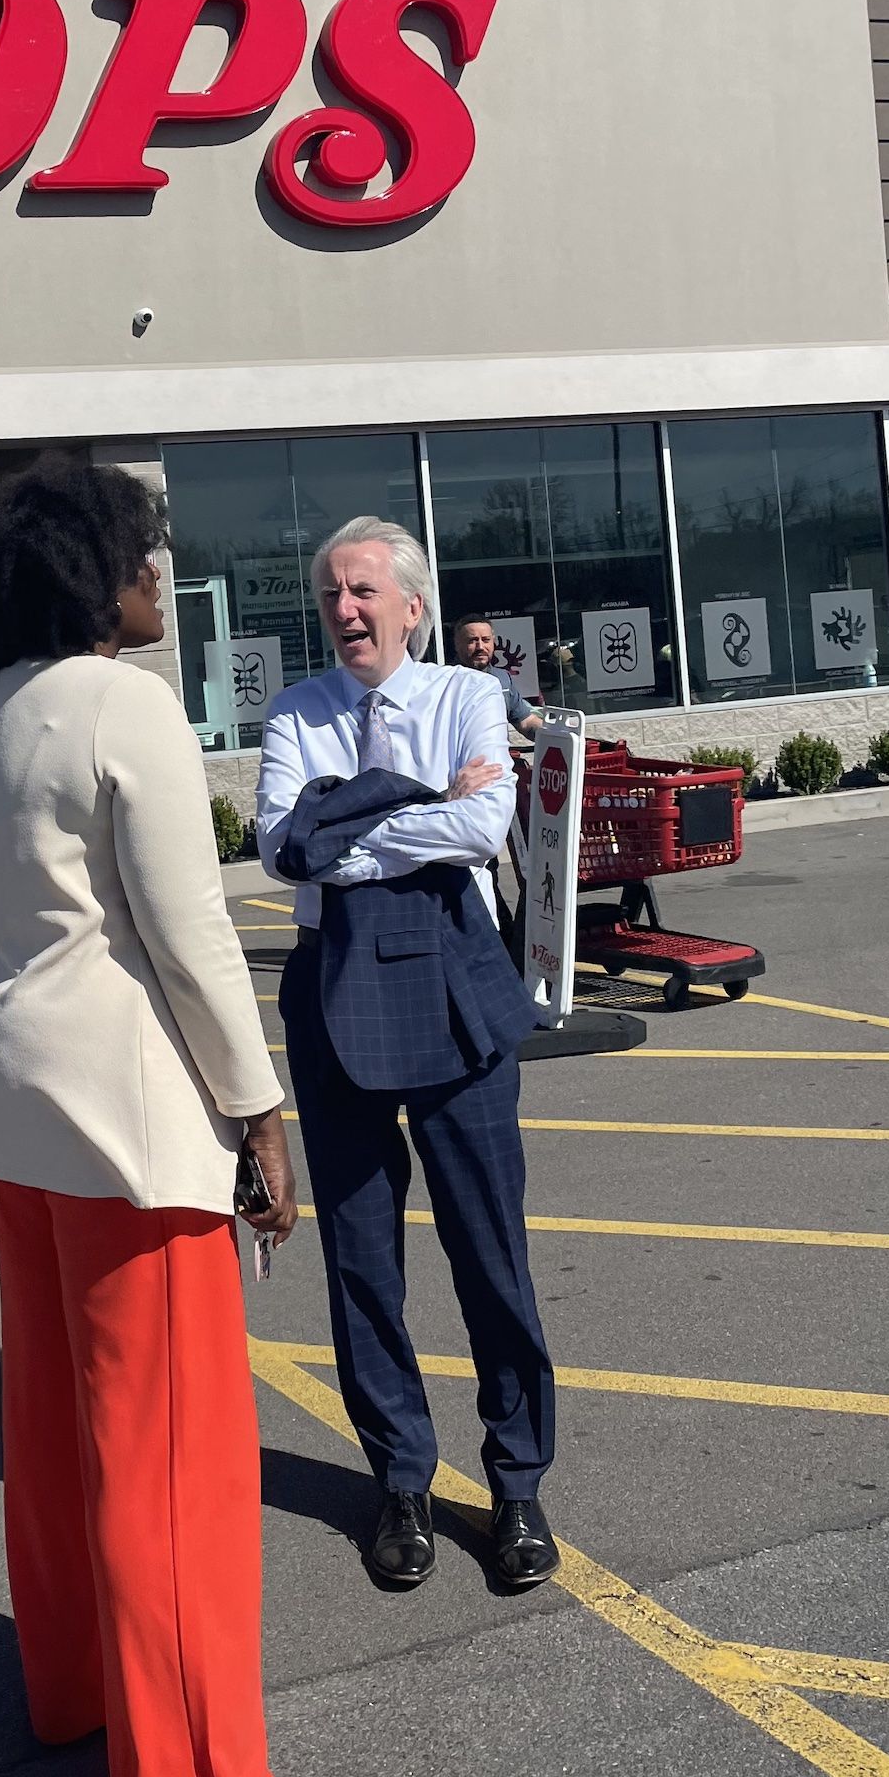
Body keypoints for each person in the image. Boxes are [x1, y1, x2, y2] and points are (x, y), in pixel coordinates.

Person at [0, 457, 318, 1777]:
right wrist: (260, 1114)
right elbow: (191, 932)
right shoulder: (126, 707)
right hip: (130, 1128)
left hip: (16, 1110)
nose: (162, 572)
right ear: (94, 575)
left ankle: (76, 1695)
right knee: (173, 1469)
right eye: (144, 552)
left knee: (55, 1429)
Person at [257, 516, 560, 1594]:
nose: (344, 608)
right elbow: (279, 846)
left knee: (489, 1249)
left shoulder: (468, 696)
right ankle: (398, 1479)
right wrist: (415, 797)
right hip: (330, 987)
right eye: (331, 592)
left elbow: (481, 830)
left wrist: (346, 823)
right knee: (360, 1260)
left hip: (452, 974)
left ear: (411, 605)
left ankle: (516, 1480)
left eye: (362, 590)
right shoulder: (295, 709)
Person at [452, 615, 543, 737]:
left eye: (486, 640)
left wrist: (555, 735)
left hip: (497, 754)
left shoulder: (503, 679)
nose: (480, 647)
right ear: (457, 644)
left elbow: (526, 722)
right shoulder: (445, 682)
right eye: (472, 640)